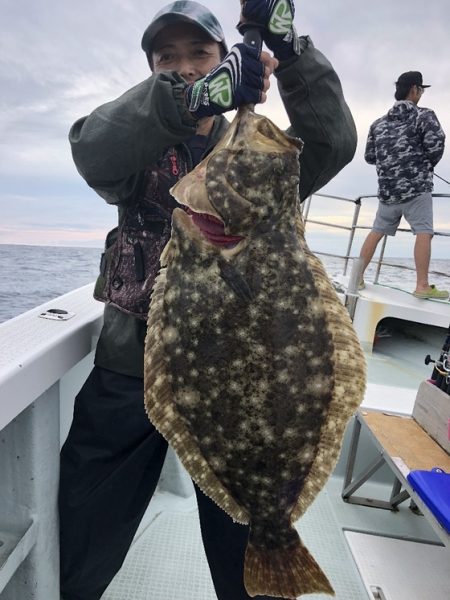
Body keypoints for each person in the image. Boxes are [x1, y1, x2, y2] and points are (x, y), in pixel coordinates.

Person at [59, 1, 357, 599]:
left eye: (200, 55)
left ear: (231, 63)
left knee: (247, 546)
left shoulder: (267, 163)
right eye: (167, 58)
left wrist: (292, 51)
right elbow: (91, 148)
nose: (186, 67)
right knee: (81, 540)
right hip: (129, 364)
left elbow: (332, 139)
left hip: (244, 375)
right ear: (151, 72)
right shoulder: (133, 145)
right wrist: (188, 101)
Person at [359, 70, 447, 299]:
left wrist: (392, 162)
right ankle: (422, 286)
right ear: (415, 90)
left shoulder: (378, 124)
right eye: (421, 90)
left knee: (376, 232)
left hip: (388, 191)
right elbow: (436, 145)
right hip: (416, 189)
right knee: (424, 233)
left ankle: (356, 278)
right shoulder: (424, 116)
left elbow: (370, 156)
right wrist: (423, 164)